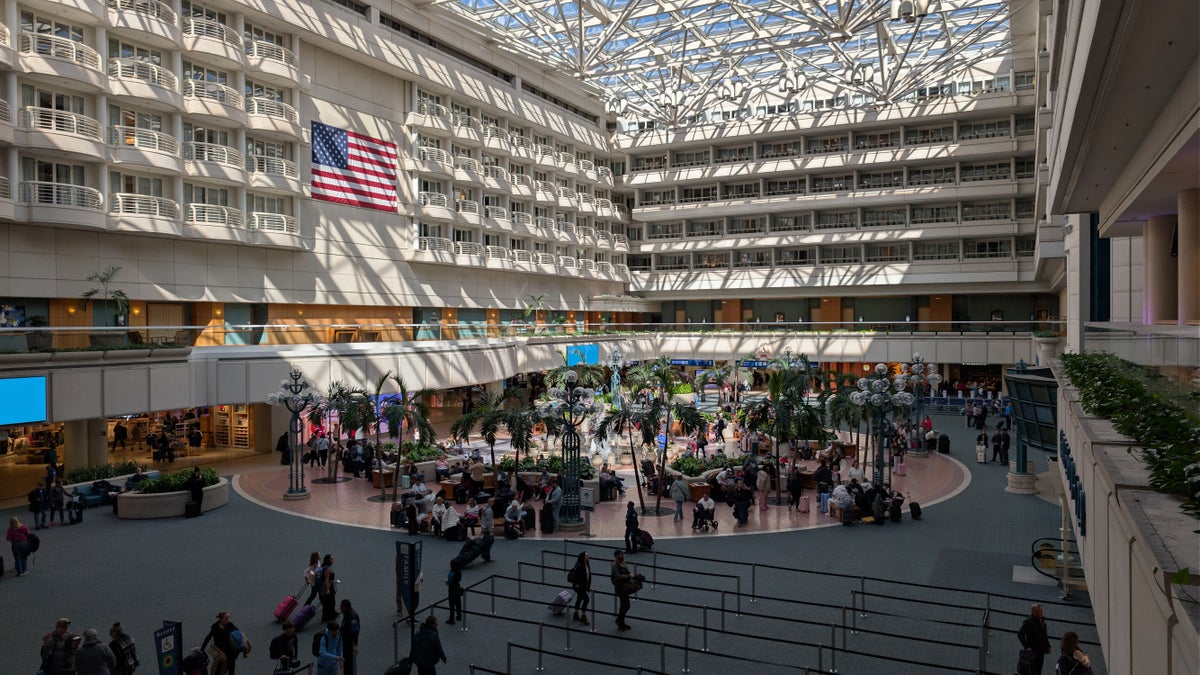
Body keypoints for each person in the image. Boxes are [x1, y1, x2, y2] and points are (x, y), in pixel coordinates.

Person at [1017, 604, 1052, 675]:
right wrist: (1027, 647)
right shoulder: (1028, 622)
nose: (1042, 614)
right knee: (1031, 670)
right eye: (1040, 612)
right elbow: (1020, 634)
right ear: (1034, 612)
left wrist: (1048, 645)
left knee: (1038, 670)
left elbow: (1043, 634)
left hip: (1040, 650)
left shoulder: (1041, 619)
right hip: (1032, 651)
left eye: (1042, 612)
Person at [610, 549, 640, 630]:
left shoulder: (622, 563)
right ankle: (620, 621)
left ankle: (620, 621)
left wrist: (632, 576)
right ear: (616, 556)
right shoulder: (615, 565)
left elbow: (626, 573)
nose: (622, 555)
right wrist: (629, 576)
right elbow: (617, 577)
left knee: (624, 605)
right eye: (621, 554)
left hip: (623, 587)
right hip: (620, 588)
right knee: (626, 605)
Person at [568, 551, 591, 624]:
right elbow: (572, 576)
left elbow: (588, 576)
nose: (588, 556)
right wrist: (576, 583)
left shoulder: (586, 564)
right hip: (580, 587)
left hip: (583, 586)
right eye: (587, 555)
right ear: (583, 557)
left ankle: (576, 614)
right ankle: (583, 616)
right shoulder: (578, 566)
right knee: (586, 599)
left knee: (579, 598)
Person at [338, 600, 360, 675]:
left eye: (341, 607)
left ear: (346, 607)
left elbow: (355, 631)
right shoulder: (347, 613)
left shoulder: (352, 617)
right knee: (346, 658)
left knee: (349, 660)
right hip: (345, 640)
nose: (340, 609)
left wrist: (355, 644)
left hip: (349, 642)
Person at [317, 554, 338, 622]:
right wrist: (328, 590)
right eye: (331, 559)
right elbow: (326, 580)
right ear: (328, 559)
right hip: (328, 587)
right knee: (331, 602)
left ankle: (329, 616)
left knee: (326, 603)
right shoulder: (327, 569)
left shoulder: (322, 566)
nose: (333, 560)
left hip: (321, 587)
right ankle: (330, 617)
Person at [445, 558, 464, 625]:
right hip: (457, 588)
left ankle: (451, 619)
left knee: (452, 605)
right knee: (458, 603)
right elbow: (459, 580)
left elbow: (449, 582)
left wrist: (446, 582)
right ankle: (459, 616)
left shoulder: (451, 573)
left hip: (452, 589)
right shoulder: (459, 571)